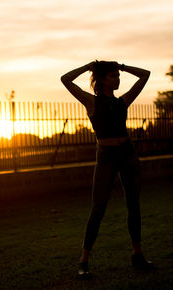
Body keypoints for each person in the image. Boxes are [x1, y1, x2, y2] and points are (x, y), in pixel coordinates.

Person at [61, 60, 154, 278]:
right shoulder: (91, 101)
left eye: (117, 75)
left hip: (128, 155)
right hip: (106, 157)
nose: (118, 79)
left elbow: (145, 74)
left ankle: (137, 255)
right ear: (102, 79)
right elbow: (65, 80)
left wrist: (121, 66)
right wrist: (88, 67)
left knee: (134, 205)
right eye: (113, 75)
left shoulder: (123, 101)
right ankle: (84, 260)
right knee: (98, 208)